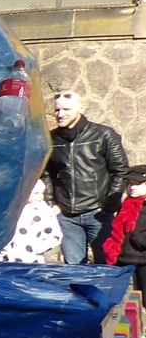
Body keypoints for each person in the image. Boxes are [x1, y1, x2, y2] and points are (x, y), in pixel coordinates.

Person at [47, 89, 128, 263]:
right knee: (74, 270)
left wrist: (109, 206)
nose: (60, 114)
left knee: (106, 265)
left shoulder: (104, 134)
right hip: (67, 216)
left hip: (98, 213)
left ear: (80, 108)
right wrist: (51, 202)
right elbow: (47, 173)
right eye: (57, 110)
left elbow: (120, 170)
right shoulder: (51, 139)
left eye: (66, 109)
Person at [101, 166, 146, 289]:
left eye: (138, 184)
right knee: (121, 295)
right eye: (130, 183)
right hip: (122, 259)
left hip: (143, 260)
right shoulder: (125, 203)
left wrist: (139, 239)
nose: (132, 187)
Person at [0, 178, 62, 264]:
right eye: (36, 193)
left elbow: (54, 233)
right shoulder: (13, 208)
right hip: (10, 255)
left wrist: (39, 247)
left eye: (42, 193)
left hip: (33, 256)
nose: (40, 196)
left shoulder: (43, 210)